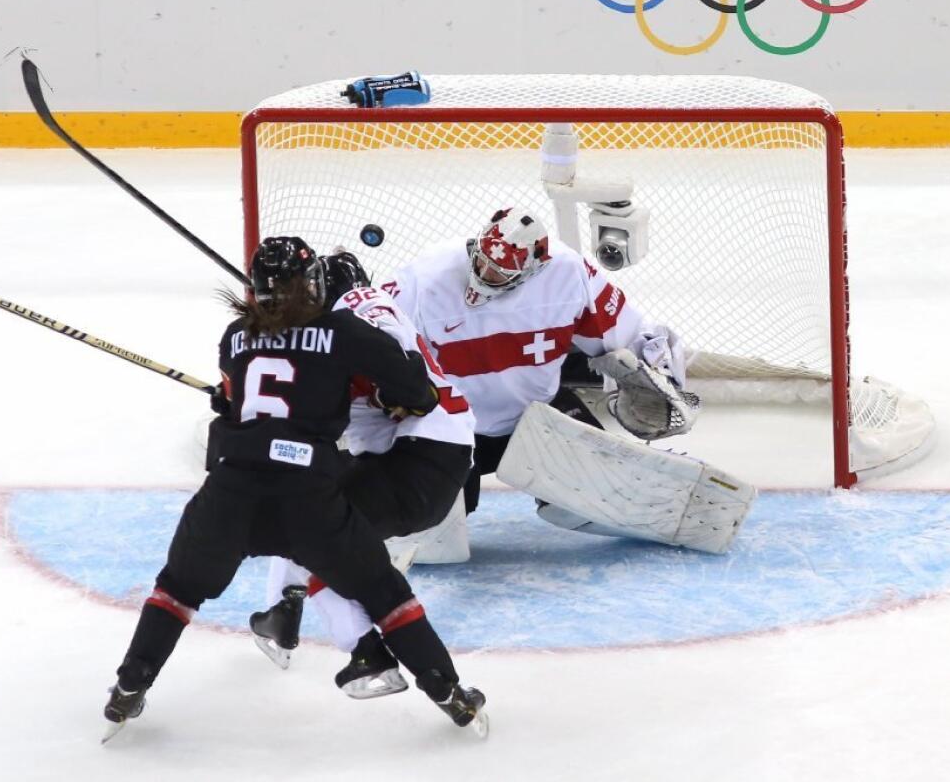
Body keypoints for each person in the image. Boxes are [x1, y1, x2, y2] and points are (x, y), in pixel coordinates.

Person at [102, 237, 486, 740]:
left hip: (229, 492)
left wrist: (228, 398)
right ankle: (448, 692)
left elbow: (237, 402)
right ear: (309, 285)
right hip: (308, 499)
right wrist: (400, 395)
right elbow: (417, 391)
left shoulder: (234, 336)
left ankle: (129, 686)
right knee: (382, 591)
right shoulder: (339, 329)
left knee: (177, 589)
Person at [248, 250, 476, 699]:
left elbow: (402, 382)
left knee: (315, 528)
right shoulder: (375, 307)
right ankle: (283, 614)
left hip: (412, 458)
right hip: (441, 457)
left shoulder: (346, 325)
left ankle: (364, 650)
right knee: (305, 510)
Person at [380, 207, 696, 527]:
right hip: (450, 428)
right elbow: (370, 329)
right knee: (426, 527)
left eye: (499, 272)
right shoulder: (425, 277)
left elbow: (629, 332)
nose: (484, 275)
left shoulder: (567, 272)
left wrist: (663, 378)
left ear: (534, 268)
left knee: (605, 500)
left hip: (535, 419)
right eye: (482, 262)